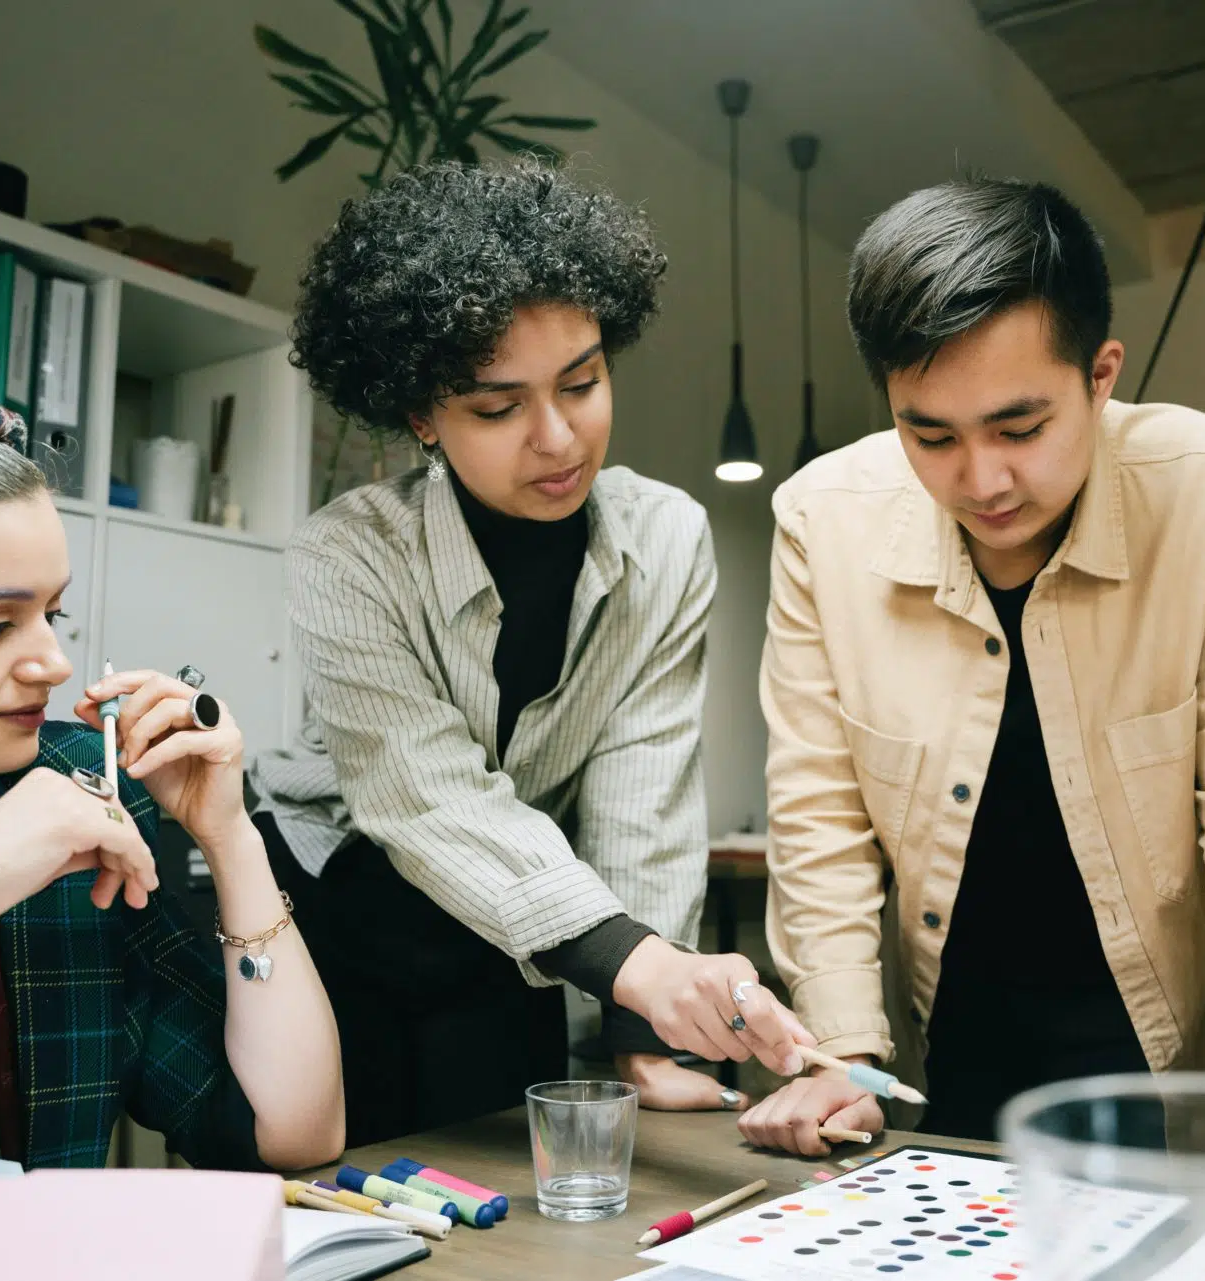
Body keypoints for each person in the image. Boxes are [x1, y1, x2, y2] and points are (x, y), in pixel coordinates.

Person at [739, 178, 1205, 1198]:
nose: (981, 480)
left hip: (1177, 1079)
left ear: (1101, 374)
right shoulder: (823, 520)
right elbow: (819, 817)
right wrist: (838, 1058)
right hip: (950, 1069)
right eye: (929, 435)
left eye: (1020, 428)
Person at [250, 159, 810, 1147]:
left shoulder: (665, 539)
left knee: (516, 1195)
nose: (558, 438)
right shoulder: (347, 554)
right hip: (344, 906)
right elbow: (423, 795)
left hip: (525, 936)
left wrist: (647, 1028)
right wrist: (637, 965)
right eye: (499, 407)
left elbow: (645, 785)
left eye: (583, 383)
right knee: (362, 1198)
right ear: (423, 414)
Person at [0, 399, 343, 1179]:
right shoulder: (45, 820)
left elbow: (294, 1130)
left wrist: (229, 837)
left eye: (52, 613)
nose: (55, 662)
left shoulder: (79, 805)